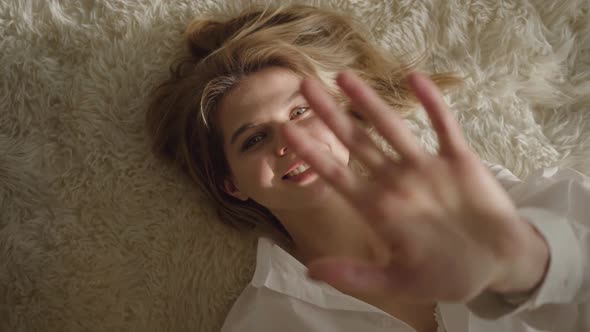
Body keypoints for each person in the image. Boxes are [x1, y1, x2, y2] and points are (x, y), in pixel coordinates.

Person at [145, 4, 590, 332]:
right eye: (254, 139)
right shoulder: (265, 322)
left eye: (301, 113)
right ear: (232, 185)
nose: (291, 142)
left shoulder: (476, 197)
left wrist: (527, 265)